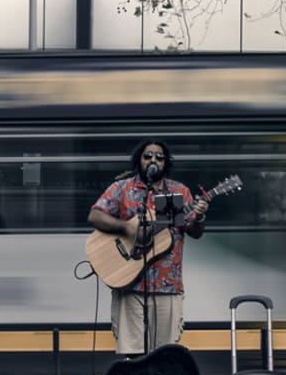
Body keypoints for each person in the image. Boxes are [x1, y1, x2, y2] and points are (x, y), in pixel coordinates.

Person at [88, 139, 209, 356]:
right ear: (139, 160)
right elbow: (95, 215)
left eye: (159, 157)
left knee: (165, 354)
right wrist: (127, 228)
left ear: (165, 163)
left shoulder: (179, 191)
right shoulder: (122, 188)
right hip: (129, 284)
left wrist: (199, 217)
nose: (153, 160)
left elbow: (194, 231)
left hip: (167, 286)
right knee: (133, 352)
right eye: (148, 156)